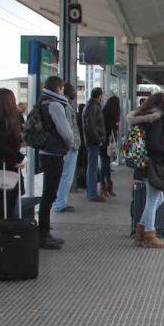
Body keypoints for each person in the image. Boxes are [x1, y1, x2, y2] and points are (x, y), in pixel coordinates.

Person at [0, 88, 26, 263]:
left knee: (5, 211)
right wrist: (20, 157)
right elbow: (5, 147)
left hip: (1, 169)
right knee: (6, 214)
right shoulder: (4, 122)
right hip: (7, 170)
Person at [126, 93, 164, 248]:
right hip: (152, 163)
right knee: (154, 199)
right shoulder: (156, 119)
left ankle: (140, 232)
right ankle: (150, 235)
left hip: (142, 162)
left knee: (156, 199)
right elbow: (152, 144)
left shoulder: (142, 117)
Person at [38, 76, 74, 250]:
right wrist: (71, 144)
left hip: (46, 151)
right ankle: (43, 234)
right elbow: (65, 131)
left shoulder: (43, 103)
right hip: (54, 153)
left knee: (48, 193)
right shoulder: (55, 105)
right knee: (49, 194)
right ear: (58, 88)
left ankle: (45, 232)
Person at [53, 83, 81, 213]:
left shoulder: (63, 105)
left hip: (67, 147)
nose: (75, 93)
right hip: (69, 147)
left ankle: (60, 202)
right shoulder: (64, 106)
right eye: (74, 91)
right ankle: (60, 203)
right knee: (66, 175)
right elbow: (68, 128)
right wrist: (72, 143)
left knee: (64, 175)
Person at [83, 87, 107, 201]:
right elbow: (91, 126)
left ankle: (91, 192)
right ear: (99, 96)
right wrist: (98, 139)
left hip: (92, 140)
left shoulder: (91, 106)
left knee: (92, 166)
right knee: (92, 167)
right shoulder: (93, 107)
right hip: (93, 141)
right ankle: (92, 194)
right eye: (102, 95)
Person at [100, 95, 121, 197]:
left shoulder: (104, 114)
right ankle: (106, 187)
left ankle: (105, 186)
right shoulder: (112, 119)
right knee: (105, 165)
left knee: (105, 165)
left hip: (103, 144)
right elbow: (111, 132)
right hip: (107, 144)